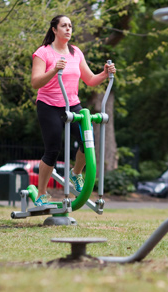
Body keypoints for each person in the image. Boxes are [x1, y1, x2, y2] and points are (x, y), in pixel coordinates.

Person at [30, 15, 116, 206]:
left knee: (87, 141)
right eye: (64, 26)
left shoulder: (76, 52)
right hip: (49, 105)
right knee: (53, 150)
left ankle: (75, 173)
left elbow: (91, 80)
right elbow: (35, 82)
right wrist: (53, 70)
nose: (68, 29)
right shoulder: (43, 53)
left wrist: (104, 73)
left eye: (70, 26)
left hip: (72, 103)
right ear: (54, 30)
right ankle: (41, 194)